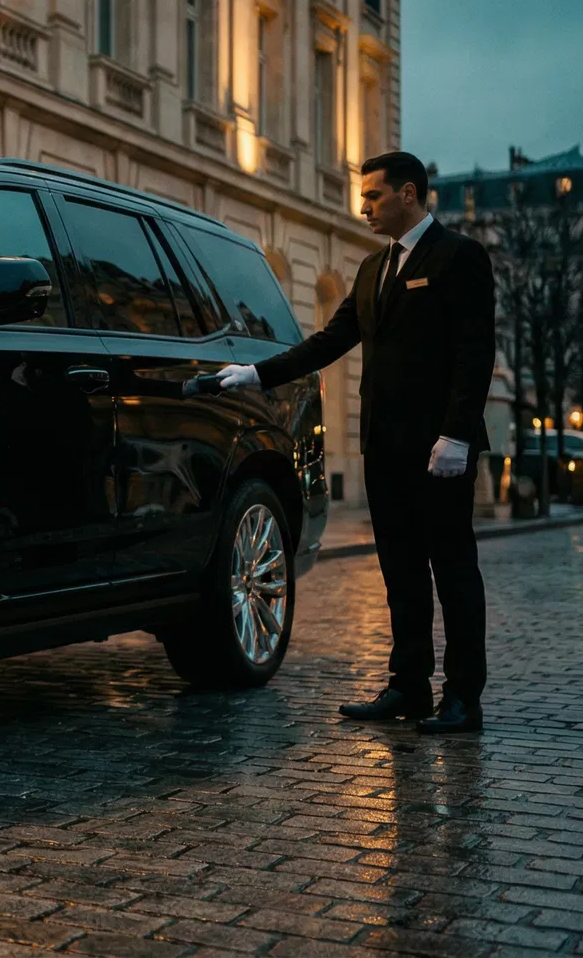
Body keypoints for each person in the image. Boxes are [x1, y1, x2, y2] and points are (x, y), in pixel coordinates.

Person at [215, 151, 495, 734]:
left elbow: (475, 355)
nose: (362, 207)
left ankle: (464, 697)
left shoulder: (459, 257)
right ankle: (409, 687)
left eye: (373, 196)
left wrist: (457, 436)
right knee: (400, 572)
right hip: (385, 448)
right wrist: (256, 374)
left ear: (410, 195)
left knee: (454, 571)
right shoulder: (372, 269)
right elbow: (329, 341)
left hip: (441, 450)